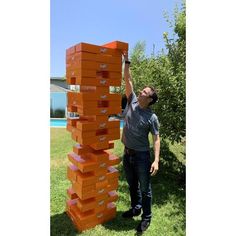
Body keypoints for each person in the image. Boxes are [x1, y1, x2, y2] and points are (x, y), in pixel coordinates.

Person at [121, 51, 160, 234]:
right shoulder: (132, 101)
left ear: (150, 99)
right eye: (142, 90)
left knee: (145, 189)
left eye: (144, 92)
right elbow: (127, 80)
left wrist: (156, 160)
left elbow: (156, 138)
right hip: (127, 153)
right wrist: (126, 60)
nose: (141, 92)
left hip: (142, 157)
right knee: (132, 184)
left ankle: (146, 218)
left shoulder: (152, 117)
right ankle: (136, 208)